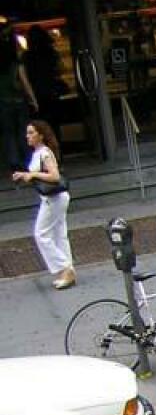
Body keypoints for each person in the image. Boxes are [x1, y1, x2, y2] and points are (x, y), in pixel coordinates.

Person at [12, 120, 74, 289]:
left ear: (41, 135)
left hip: (54, 199)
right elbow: (39, 175)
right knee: (59, 234)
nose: (28, 136)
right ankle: (68, 271)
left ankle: (64, 268)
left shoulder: (45, 152)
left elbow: (54, 176)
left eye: (31, 133)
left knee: (41, 234)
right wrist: (27, 175)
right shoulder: (38, 152)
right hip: (54, 198)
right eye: (27, 133)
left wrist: (32, 175)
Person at [0, 31, 37, 173]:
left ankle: (14, 161)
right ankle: (27, 160)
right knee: (23, 131)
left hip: (3, 102)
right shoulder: (16, 64)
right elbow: (25, 82)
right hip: (19, 101)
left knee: (8, 133)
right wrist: (33, 99)